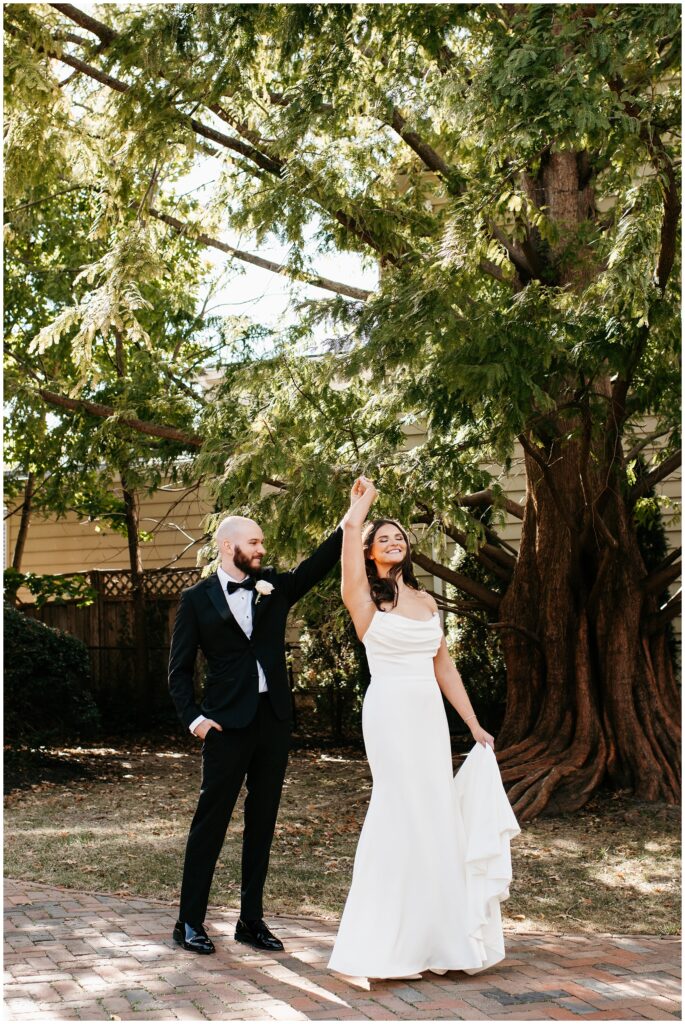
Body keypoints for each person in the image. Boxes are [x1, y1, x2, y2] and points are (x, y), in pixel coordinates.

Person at [329, 476, 521, 980]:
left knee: (435, 812)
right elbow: (348, 542)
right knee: (399, 807)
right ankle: (381, 939)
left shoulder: (427, 602)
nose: (394, 542)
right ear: (371, 553)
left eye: (399, 537)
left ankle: (439, 938)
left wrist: (474, 725)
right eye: (383, 539)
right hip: (389, 710)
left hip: (429, 717)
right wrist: (361, 508)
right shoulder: (363, 598)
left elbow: (445, 669)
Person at [168, 513, 343, 955]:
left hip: (273, 722)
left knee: (262, 823)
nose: (262, 549)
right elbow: (179, 671)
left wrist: (351, 519)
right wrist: (196, 721)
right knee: (211, 823)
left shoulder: (274, 589)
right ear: (228, 547)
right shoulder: (196, 600)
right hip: (225, 726)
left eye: (262, 542)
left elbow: (318, 563)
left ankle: (251, 921)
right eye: (254, 542)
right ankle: (189, 922)